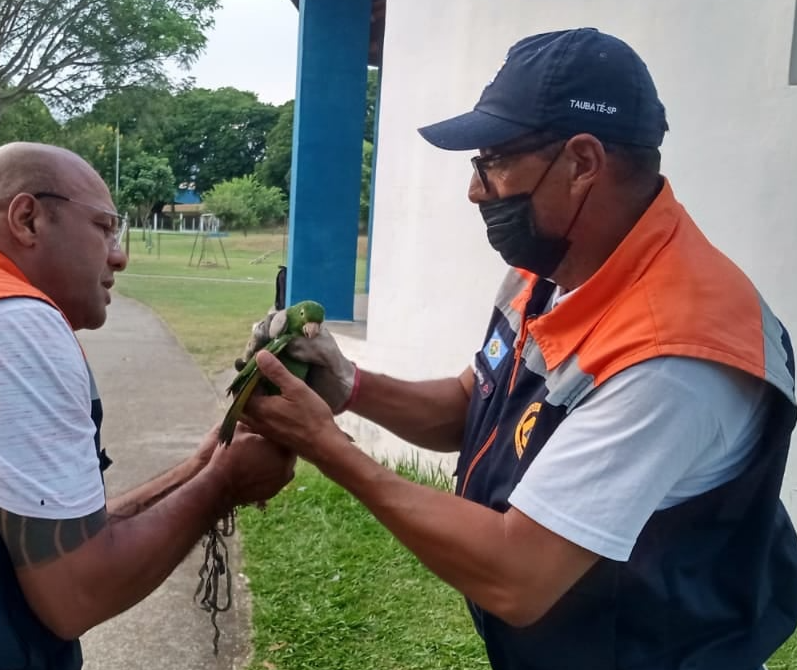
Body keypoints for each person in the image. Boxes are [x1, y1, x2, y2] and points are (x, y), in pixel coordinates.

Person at [240, 27, 797, 670]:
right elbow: (472, 403)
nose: (477, 189)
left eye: (494, 160)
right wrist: (350, 387)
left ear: (583, 162)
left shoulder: (675, 355)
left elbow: (518, 574)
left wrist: (325, 446)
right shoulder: (553, 267)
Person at [0, 142, 295, 669]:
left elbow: (52, 535)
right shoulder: (9, 324)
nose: (119, 255)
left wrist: (198, 468)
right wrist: (224, 484)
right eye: (104, 227)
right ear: (27, 219)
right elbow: (76, 592)